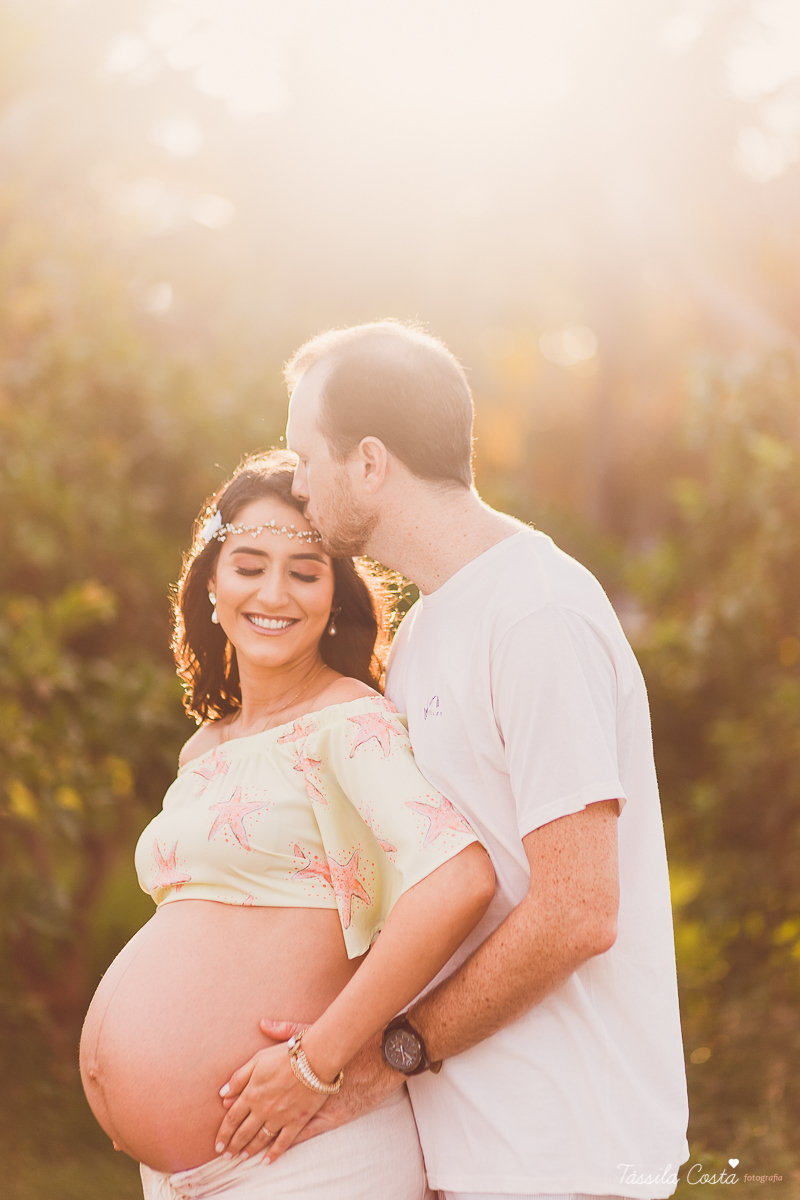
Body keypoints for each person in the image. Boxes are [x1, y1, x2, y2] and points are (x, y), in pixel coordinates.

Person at [253, 319, 690, 1200]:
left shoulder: (537, 614)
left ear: (369, 463)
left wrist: (391, 1052)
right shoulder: (426, 628)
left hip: (563, 1152)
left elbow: (577, 910)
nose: (297, 483)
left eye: (306, 455)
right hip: (477, 1146)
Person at [79, 451, 495, 1200]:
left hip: (305, 1156)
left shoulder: (348, 721)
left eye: (304, 573)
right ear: (211, 583)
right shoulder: (204, 748)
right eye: (249, 565)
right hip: (182, 1171)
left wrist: (317, 1061)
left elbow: (457, 881)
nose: (274, 593)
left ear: (334, 597)